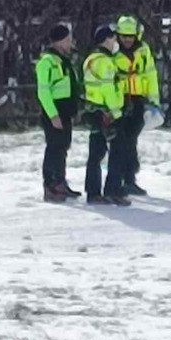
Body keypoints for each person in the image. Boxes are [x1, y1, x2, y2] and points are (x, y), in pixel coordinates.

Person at [82, 25, 131, 206]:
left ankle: (93, 192)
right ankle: (113, 190)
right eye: (113, 39)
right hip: (108, 114)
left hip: (93, 110)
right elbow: (109, 89)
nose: (115, 42)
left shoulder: (90, 60)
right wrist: (116, 112)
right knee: (118, 151)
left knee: (95, 153)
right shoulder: (105, 62)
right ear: (107, 40)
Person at [35, 24, 81, 203]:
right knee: (54, 148)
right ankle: (50, 185)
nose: (70, 43)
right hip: (53, 111)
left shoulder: (64, 60)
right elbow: (43, 92)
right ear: (59, 41)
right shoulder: (46, 62)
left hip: (66, 111)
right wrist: (53, 115)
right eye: (68, 40)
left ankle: (61, 182)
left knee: (63, 147)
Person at [114, 15, 159, 196]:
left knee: (132, 138)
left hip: (138, 99)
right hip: (120, 100)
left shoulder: (143, 50)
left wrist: (154, 100)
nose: (127, 40)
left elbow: (151, 75)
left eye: (130, 36)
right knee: (122, 140)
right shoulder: (113, 52)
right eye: (124, 36)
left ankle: (130, 178)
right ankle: (122, 177)